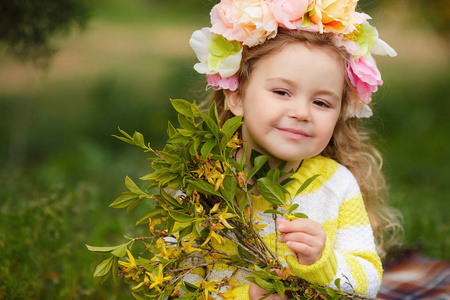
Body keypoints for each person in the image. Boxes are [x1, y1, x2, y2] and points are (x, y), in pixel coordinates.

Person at [188, 1, 401, 299]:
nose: (302, 112)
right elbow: (177, 283)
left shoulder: (336, 184)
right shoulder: (202, 182)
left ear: (340, 113)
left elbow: (368, 283)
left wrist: (322, 262)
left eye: (321, 103)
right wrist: (245, 295)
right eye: (281, 92)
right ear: (236, 96)